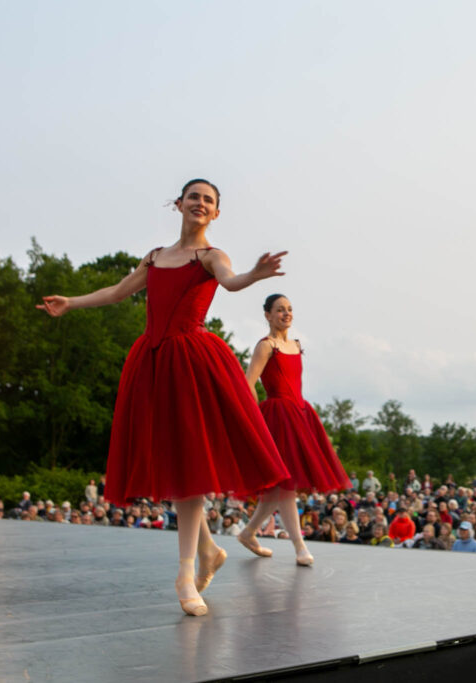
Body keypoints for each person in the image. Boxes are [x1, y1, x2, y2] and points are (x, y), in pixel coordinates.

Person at [37, 179, 292, 617]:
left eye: (208, 201)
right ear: (178, 204)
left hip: (190, 362)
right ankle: (209, 550)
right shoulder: (155, 257)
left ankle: (186, 572)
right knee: (176, 462)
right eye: (193, 196)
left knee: (188, 464)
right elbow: (118, 292)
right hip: (153, 362)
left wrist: (255, 274)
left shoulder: (211, 257)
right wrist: (71, 302)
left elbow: (231, 283)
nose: (200, 203)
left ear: (215, 214)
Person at [240, 294, 351, 567]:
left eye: (289, 309)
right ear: (267, 315)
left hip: (299, 414)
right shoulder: (266, 346)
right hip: (277, 417)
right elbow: (247, 382)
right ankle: (300, 546)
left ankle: (247, 532)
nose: (286, 314)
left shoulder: (296, 345)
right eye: (279, 310)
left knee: (277, 491)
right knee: (286, 486)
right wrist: (255, 417)